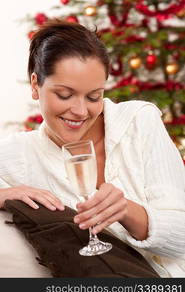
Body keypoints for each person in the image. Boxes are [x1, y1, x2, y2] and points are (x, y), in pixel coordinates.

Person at [0, 19, 185, 278]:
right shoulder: (17, 154)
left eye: (93, 96)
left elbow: (182, 237)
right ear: (35, 85)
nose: (80, 111)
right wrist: (4, 193)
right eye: (64, 95)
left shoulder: (138, 121)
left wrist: (127, 211)